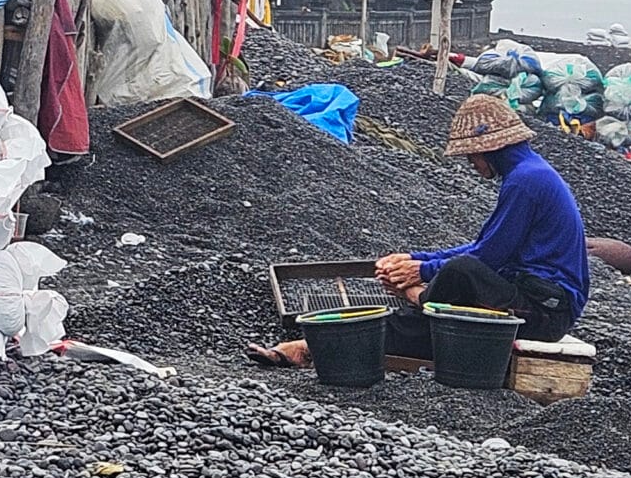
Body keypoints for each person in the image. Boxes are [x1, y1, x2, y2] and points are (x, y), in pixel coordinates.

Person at [249, 93, 589, 369]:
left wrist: (421, 273)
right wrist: (416, 259)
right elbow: (485, 246)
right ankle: (315, 346)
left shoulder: (526, 182)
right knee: (433, 320)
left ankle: (414, 303)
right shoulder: (528, 173)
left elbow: (486, 258)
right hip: (531, 294)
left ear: (487, 149)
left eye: (471, 156)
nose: (471, 164)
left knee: (455, 277)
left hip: (546, 310)